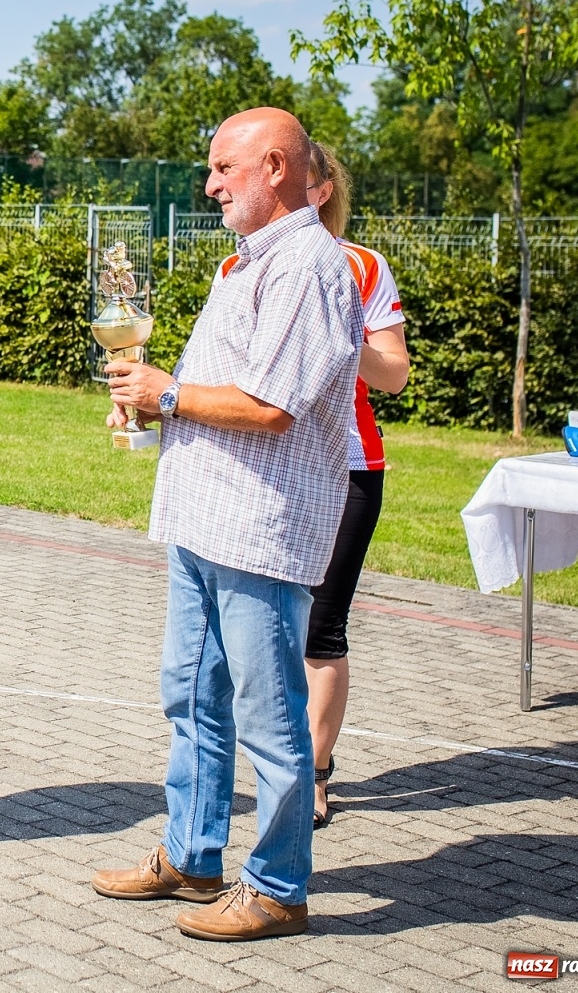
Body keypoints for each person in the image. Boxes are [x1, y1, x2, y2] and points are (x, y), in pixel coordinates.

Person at [90, 108, 362, 941]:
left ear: (275, 166)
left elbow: (273, 407)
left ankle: (278, 885)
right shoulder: (249, 264)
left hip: (259, 529)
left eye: (221, 169)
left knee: (268, 713)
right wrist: (156, 409)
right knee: (192, 696)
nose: (209, 185)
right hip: (207, 521)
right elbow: (225, 389)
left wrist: (168, 395)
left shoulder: (308, 268)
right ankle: (193, 854)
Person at [295, 143, 411, 828]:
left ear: (321, 190)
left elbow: (393, 373)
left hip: (349, 470)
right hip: (269, 471)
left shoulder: (361, 266)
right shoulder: (239, 264)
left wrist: (345, 336)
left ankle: (314, 772)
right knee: (262, 628)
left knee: (320, 627)